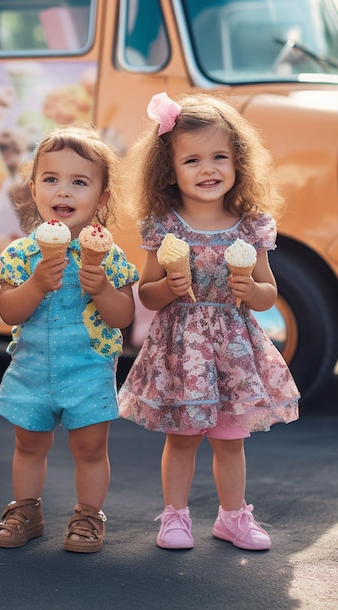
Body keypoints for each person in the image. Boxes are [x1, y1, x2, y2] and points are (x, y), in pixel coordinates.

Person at [118, 92, 300, 551]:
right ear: (170, 170)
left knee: (229, 440)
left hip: (233, 348)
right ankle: (174, 517)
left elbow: (268, 293)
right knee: (182, 439)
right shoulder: (164, 226)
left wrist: (251, 291)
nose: (208, 169)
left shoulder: (250, 226)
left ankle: (233, 517)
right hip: (182, 348)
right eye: (192, 159)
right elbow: (148, 293)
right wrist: (171, 287)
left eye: (220, 156)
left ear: (239, 162)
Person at [0, 125, 138, 553]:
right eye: (51, 179)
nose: (63, 191)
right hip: (32, 365)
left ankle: (89, 515)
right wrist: (35, 285)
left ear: (102, 197)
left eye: (79, 182)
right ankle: (26, 509)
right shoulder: (22, 253)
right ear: (33, 189)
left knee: (90, 445)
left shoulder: (109, 255)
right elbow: (8, 311)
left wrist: (102, 290)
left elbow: (123, 316)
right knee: (28, 441)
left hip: (87, 367)